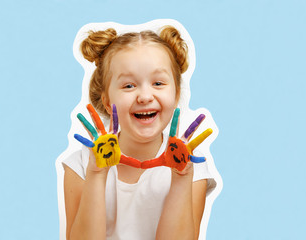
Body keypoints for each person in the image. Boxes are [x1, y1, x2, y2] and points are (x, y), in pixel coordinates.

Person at [62, 22, 218, 240]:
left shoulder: (192, 167)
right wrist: (97, 174)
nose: (145, 96)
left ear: (176, 95)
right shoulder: (80, 165)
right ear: (107, 101)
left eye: (158, 83)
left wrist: (182, 178)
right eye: (128, 86)